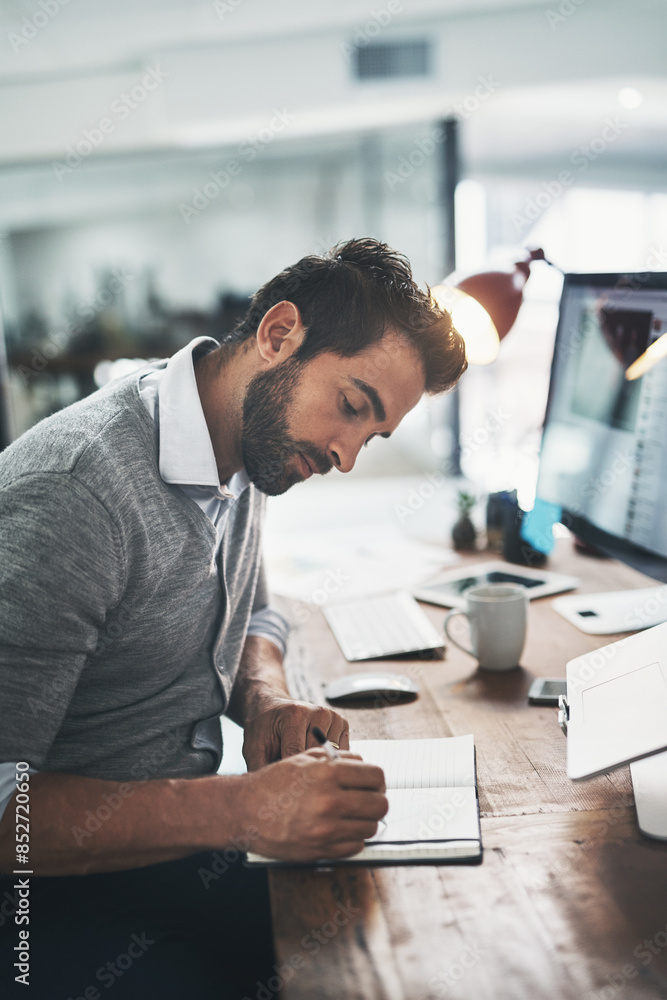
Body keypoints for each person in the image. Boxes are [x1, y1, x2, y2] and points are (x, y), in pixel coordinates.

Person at [0, 238, 466, 998]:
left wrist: (266, 699)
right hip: (39, 904)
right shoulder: (75, 494)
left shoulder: (242, 442)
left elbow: (253, 607)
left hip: (163, 858)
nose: (347, 455)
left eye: (372, 435)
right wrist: (239, 809)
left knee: (406, 933)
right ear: (279, 336)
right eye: (352, 406)